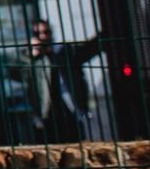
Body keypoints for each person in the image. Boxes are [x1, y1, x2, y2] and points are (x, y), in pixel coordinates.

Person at [23, 18, 101, 147]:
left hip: (70, 107)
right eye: (38, 34)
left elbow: (89, 50)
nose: (42, 36)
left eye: (46, 32)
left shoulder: (64, 51)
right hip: (46, 112)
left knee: (77, 146)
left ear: (51, 33)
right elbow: (17, 75)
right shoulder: (32, 57)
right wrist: (28, 56)